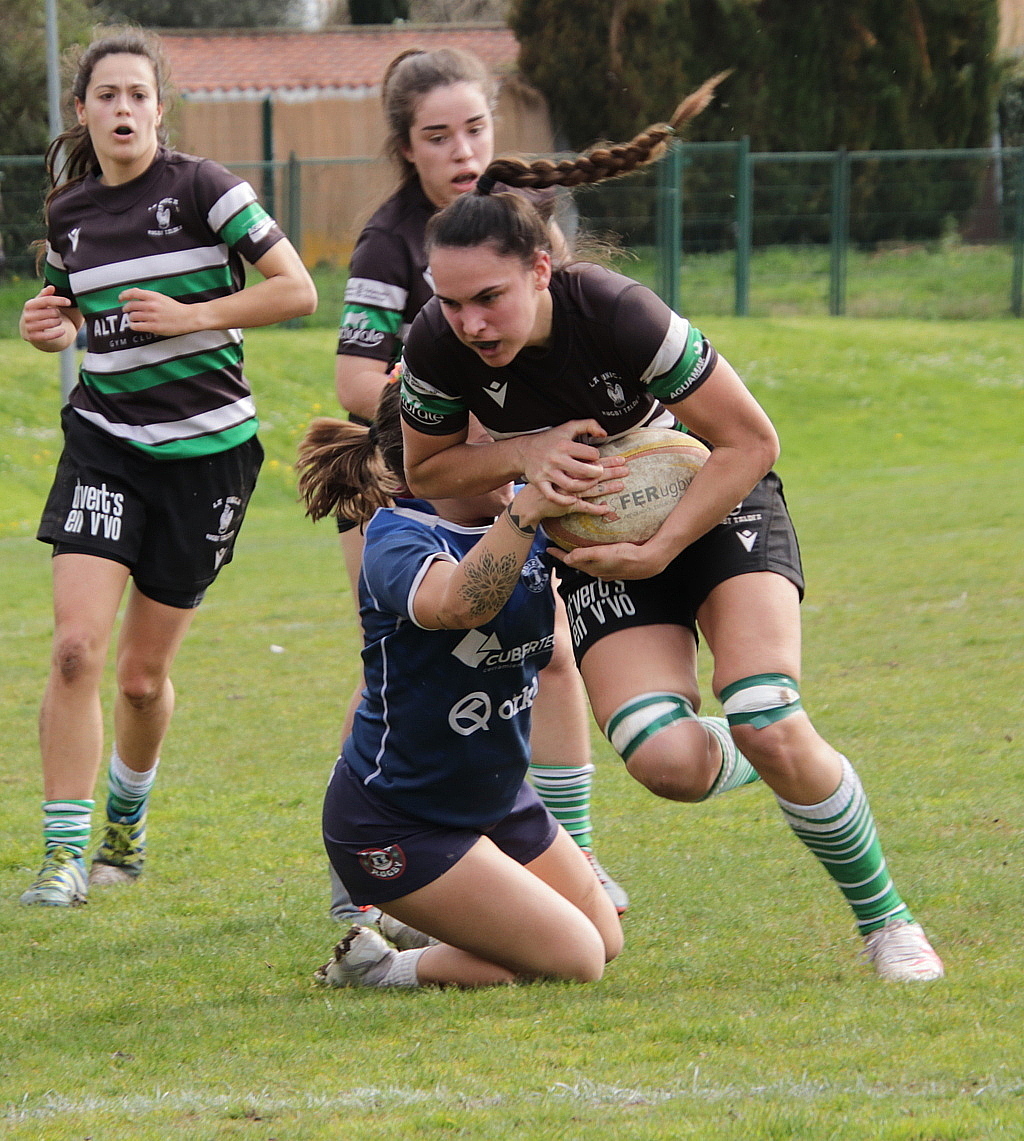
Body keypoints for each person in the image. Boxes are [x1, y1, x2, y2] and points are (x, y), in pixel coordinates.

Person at [396, 87, 945, 982]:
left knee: (762, 703)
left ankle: (889, 923)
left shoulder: (617, 311)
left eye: (487, 298)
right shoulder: (437, 345)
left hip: (717, 506)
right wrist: (527, 452)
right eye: (451, 304)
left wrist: (660, 545)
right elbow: (429, 474)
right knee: (666, 761)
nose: (470, 323)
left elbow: (751, 439)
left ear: (540, 269)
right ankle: (791, 754)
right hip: (601, 550)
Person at [18, 29, 318, 907]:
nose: (122, 109)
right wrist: (51, 326)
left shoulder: (206, 190)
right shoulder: (68, 216)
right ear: (83, 110)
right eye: (106, 95)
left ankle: (128, 819)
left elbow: (296, 289)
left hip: (208, 459)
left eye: (138, 95)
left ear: (159, 108)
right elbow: (73, 314)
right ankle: (65, 857)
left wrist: (195, 314)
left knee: (142, 679)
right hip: (104, 445)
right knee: (76, 649)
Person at [329, 45, 627, 921]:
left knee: (551, 649)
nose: (463, 150)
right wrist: (456, 408)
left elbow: (563, 337)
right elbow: (355, 382)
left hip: (513, 472)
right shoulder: (389, 243)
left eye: (476, 128)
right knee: (396, 665)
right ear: (406, 149)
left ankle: (571, 849)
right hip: (411, 474)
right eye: (437, 135)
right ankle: (364, 884)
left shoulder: (521, 218)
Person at [296, 382, 623, 988]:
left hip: (494, 801)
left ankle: (452, 917)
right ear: (430, 458)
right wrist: (523, 515)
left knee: (605, 940)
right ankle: (383, 970)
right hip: (395, 822)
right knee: (576, 960)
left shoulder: (528, 508)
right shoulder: (396, 538)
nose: (511, 446)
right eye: (487, 439)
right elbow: (461, 604)